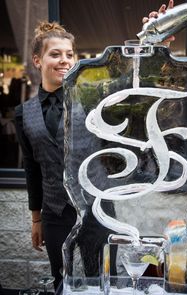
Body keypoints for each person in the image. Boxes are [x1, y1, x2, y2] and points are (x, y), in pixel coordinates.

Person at [14, 1, 175, 291]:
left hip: (97, 209)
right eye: (55, 54)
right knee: (63, 281)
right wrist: (36, 218)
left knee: (102, 281)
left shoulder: (89, 97)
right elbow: (31, 168)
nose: (64, 60)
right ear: (38, 60)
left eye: (69, 54)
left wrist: (153, 44)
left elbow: (129, 83)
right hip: (55, 213)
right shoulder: (23, 113)